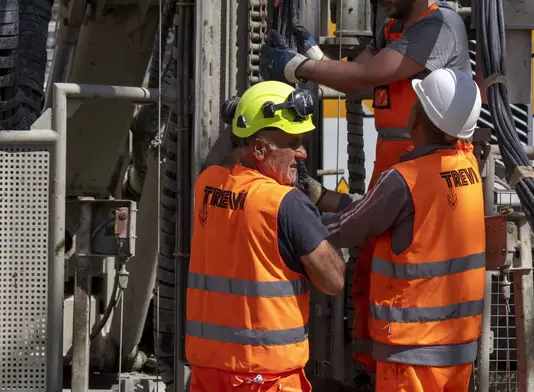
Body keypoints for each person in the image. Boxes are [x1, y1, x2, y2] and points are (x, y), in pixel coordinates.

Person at [259, 0, 474, 378]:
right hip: (395, 156)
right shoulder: (395, 24)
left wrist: (298, 66)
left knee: (384, 260)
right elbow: (360, 69)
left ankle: (378, 367)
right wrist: (316, 57)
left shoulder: (438, 25)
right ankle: (370, 368)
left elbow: (365, 76)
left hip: (418, 162)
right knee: (373, 268)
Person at [303, 68, 485, 391]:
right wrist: (322, 196)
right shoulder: (467, 168)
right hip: (458, 349)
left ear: (418, 118)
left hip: (412, 351)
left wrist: (298, 224)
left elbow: (354, 225)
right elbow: (380, 210)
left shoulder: (404, 179)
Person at [185, 80, 347, 392]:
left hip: (209, 375)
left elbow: (234, 163)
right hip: (264, 379)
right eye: (293, 143)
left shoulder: (208, 185)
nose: (301, 154)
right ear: (260, 149)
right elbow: (333, 280)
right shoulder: (284, 204)